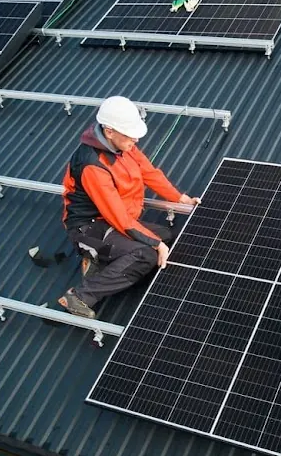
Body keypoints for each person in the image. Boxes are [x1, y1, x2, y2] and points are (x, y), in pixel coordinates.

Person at [58, 96, 199, 319]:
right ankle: (80, 296)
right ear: (109, 131)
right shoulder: (92, 165)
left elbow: (148, 172)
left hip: (112, 221)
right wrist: (155, 244)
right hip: (89, 227)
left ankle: (100, 258)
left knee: (166, 234)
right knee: (146, 255)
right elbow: (119, 218)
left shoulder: (124, 145)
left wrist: (179, 198)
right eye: (129, 133)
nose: (134, 138)